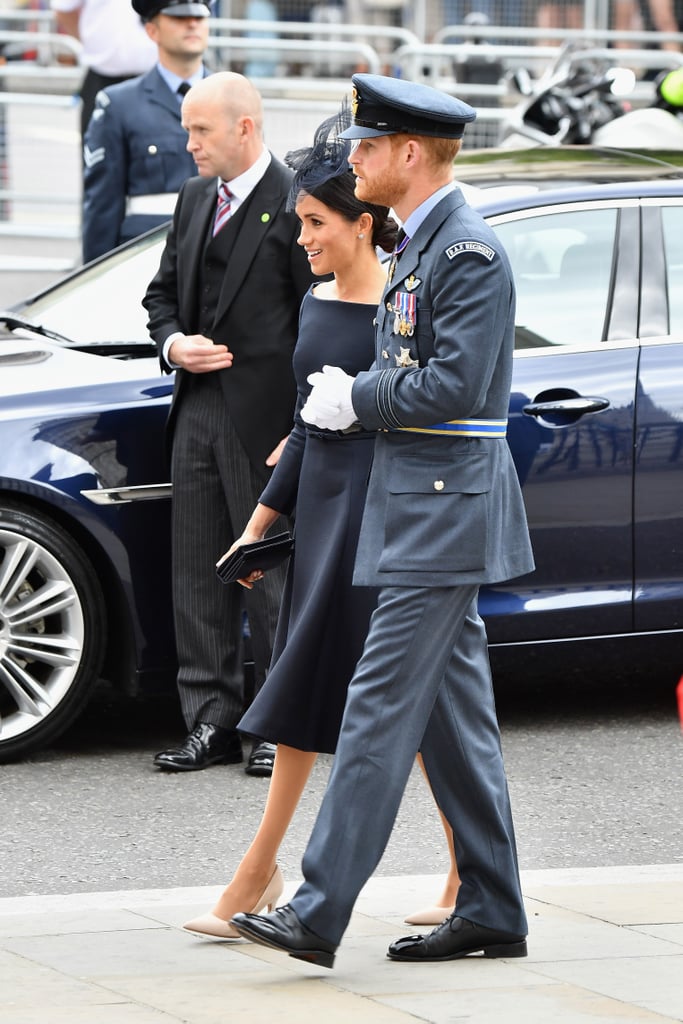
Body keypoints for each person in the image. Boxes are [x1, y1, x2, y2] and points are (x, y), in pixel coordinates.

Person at [230, 72, 535, 968]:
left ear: (409, 153)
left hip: (441, 517)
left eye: (366, 146)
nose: (353, 157)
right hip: (421, 510)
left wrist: (353, 399)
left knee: (373, 711)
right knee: (453, 721)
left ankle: (317, 910)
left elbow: (456, 387)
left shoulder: (465, 251)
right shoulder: (423, 242)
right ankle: (492, 906)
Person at [181, 103, 460, 940]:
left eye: (313, 222)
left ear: (361, 222)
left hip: (388, 516)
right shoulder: (317, 301)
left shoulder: (404, 305)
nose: (301, 237)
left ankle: (462, 872)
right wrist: (258, 525)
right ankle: (257, 872)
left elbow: (426, 403)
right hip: (328, 508)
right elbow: (305, 424)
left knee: (421, 712)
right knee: (302, 687)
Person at [142, 71, 313, 777]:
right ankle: (209, 722)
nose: (187, 144)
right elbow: (159, 297)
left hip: (267, 424)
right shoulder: (191, 199)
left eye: (200, 131)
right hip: (196, 413)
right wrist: (174, 344)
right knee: (197, 573)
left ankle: (276, 725)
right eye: (186, 129)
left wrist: (302, 426)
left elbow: (321, 319)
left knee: (269, 577)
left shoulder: (297, 202)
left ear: (245, 128)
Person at [81, 0, 212, 264]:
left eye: (200, 17)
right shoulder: (119, 105)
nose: (192, 24)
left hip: (217, 260)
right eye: (178, 18)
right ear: (152, 31)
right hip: (146, 260)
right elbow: (103, 209)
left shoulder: (235, 99)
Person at [51, 0, 157, 140]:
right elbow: (63, 8)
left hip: (154, 79)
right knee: (97, 148)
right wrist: (89, 40)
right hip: (102, 77)